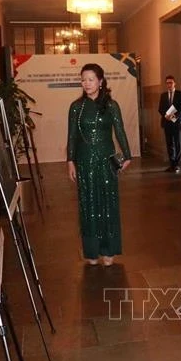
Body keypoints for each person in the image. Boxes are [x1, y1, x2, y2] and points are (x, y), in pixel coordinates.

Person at [67, 63, 132, 266]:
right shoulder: (76, 107)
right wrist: (70, 161)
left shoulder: (111, 105)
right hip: (84, 160)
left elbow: (120, 131)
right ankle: (92, 252)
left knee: (107, 204)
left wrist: (127, 155)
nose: (86, 83)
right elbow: (72, 136)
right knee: (88, 205)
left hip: (106, 160)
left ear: (101, 81)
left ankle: (108, 250)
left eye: (91, 79)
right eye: (83, 79)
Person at [158, 75, 181, 173]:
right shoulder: (163, 95)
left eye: (171, 82)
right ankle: (171, 164)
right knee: (169, 143)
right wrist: (166, 115)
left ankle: (177, 164)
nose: (169, 84)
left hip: (176, 122)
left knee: (177, 143)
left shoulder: (179, 94)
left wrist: (173, 117)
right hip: (166, 122)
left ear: (174, 83)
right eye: (167, 83)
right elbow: (160, 108)